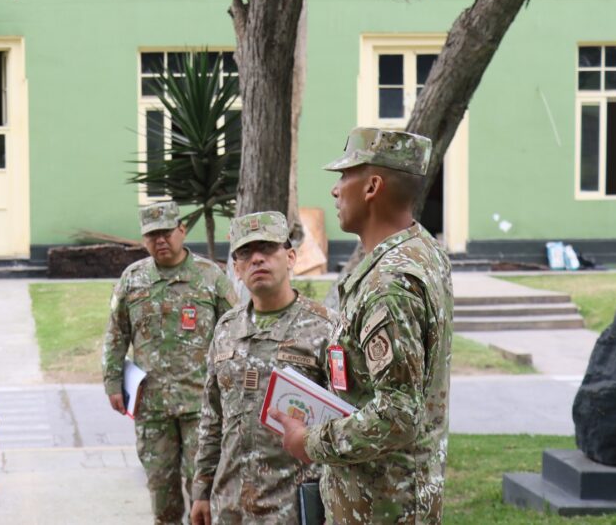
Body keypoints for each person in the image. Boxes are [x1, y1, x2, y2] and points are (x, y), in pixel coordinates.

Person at [270, 127, 454, 524]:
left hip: (384, 505)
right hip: (390, 496)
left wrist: (311, 441)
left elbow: (397, 415)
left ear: (372, 186)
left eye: (344, 177)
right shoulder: (421, 249)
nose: (335, 191)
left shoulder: (389, 283)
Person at [191, 211, 340, 524]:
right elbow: (212, 416)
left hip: (293, 506)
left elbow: (344, 422)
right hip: (230, 505)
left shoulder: (326, 328)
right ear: (237, 268)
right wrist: (201, 490)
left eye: (267, 249)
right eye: (246, 253)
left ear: (290, 257)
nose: (257, 259)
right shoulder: (227, 328)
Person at [102, 200, 237, 524]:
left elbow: (234, 330)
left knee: (203, 490)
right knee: (161, 490)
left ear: (181, 231)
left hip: (200, 406)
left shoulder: (210, 277)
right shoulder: (133, 279)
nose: (160, 241)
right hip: (153, 407)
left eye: (166, 233)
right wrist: (112, 382)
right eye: (152, 236)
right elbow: (116, 334)